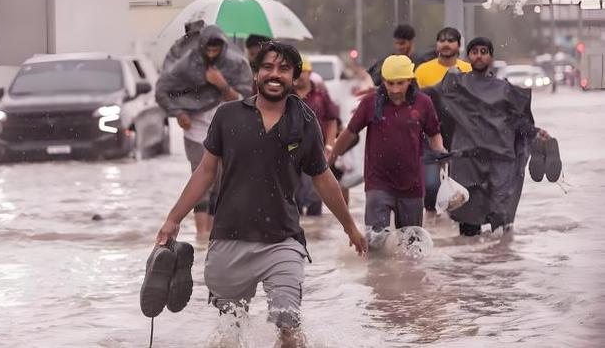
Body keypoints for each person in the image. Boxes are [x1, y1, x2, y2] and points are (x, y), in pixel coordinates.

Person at [155, 41, 367, 348]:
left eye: (284, 69)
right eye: (267, 67)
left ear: (295, 77)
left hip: (282, 241)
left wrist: (349, 226)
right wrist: (173, 219)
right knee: (231, 329)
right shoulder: (227, 116)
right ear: (256, 73)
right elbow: (205, 171)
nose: (274, 74)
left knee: (288, 324)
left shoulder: (305, 121)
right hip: (229, 237)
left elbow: (323, 179)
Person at [423, 37, 556, 236]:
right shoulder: (455, 85)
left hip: (499, 159)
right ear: (468, 56)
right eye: (475, 51)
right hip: (467, 159)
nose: (479, 56)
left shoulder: (505, 89)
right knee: (468, 218)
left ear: (491, 57)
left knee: (500, 218)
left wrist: (535, 132)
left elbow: (517, 121)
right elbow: (425, 96)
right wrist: (382, 92)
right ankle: (472, 264)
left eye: (484, 51)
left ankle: (498, 261)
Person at [330, 55, 446, 249]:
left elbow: (434, 134)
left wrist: (440, 152)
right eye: (389, 83)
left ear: (410, 80)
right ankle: (377, 278)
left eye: (400, 83)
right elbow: (350, 132)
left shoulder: (423, 103)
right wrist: (331, 157)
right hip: (378, 182)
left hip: (412, 184)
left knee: (412, 246)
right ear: (382, 81)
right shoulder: (370, 103)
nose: (394, 89)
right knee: (375, 242)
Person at [155, 25, 253, 236]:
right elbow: (162, 91)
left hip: (225, 128)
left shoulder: (235, 65)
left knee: (220, 178)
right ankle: (201, 233)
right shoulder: (186, 65)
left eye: (216, 48)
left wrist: (222, 85)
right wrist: (179, 113)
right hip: (195, 129)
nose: (211, 53)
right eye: (208, 48)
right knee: (200, 176)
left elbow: (245, 99)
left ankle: (211, 232)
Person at [414, 27, 473, 215]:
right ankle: (434, 224)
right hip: (429, 136)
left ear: (459, 45)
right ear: (437, 44)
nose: (446, 44)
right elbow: (413, 102)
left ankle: (454, 226)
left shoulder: (468, 69)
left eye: (450, 40)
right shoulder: (422, 70)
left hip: (460, 136)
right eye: (442, 40)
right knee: (431, 186)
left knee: (460, 186)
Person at [294, 57, 341, 215]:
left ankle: (315, 234)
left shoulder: (321, 95)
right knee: (292, 200)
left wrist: (329, 145)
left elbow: (332, 120)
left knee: (315, 197)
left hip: (315, 151)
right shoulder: (285, 95)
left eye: (303, 72)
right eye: (297, 72)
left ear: (310, 73)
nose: (300, 75)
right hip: (289, 152)